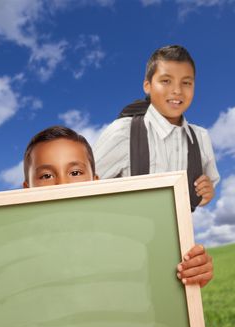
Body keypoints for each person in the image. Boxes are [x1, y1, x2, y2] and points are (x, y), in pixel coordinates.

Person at [0, 125, 213, 287]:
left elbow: (168, 279)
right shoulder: (9, 241)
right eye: (46, 175)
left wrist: (195, 272)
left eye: (74, 172)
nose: (61, 184)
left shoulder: (128, 241)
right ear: (26, 188)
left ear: (95, 181)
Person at [93, 45, 220, 210]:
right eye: (166, 81)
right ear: (147, 85)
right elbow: (83, 187)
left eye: (186, 83)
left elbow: (207, 189)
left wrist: (207, 193)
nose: (177, 90)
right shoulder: (123, 132)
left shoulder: (200, 137)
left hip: (181, 234)